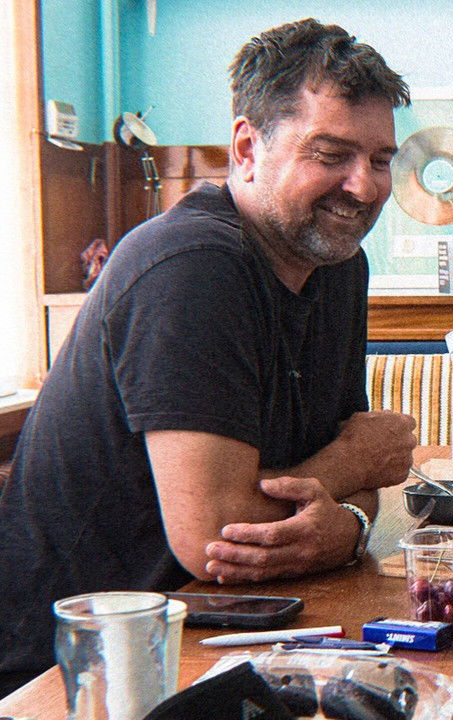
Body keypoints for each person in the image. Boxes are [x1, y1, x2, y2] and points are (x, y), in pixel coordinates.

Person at [0, 19, 418, 695]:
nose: (364, 187)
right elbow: (218, 534)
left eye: (380, 160)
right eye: (331, 154)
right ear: (248, 148)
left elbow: (348, 494)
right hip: (78, 669)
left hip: (231, 624)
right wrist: (352, 468)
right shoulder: (192, 266)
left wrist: (350, 521)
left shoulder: (338, 264)